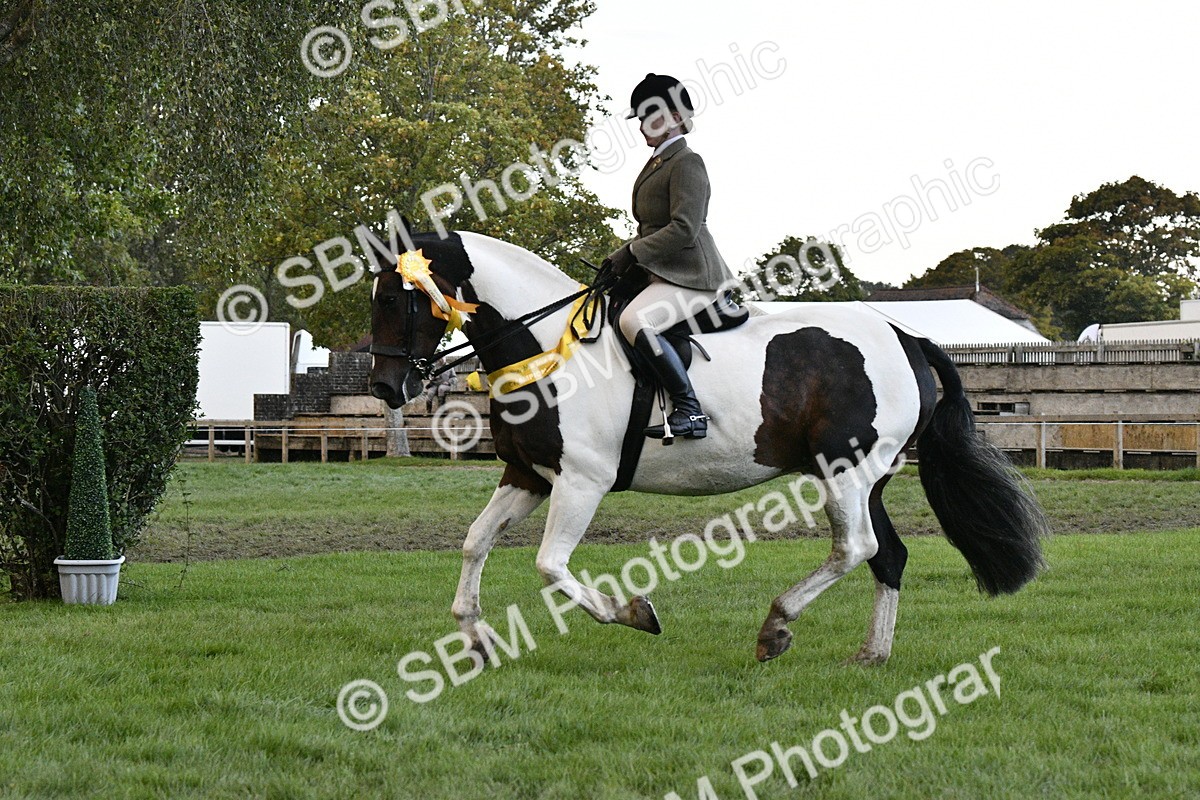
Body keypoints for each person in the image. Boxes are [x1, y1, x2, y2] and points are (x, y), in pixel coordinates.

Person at [604, 73, 735, 441]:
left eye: (651, 116)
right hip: (664, 273)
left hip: (695, 275)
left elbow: (683, 229)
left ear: (675, 117)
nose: (643, 126)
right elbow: (650, 228)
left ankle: (690, 409)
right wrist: (621, 258)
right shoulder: (659, 162)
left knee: (635, 321)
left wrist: (632, 252)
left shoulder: (687, 162)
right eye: (642, 118)